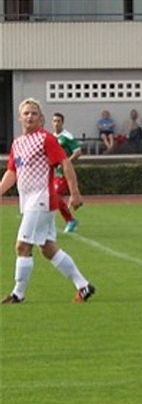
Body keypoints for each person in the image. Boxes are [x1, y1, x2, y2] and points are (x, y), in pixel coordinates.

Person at [0, 98, 95, 305]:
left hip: (42, 199)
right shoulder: (17, 143)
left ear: (41, 118)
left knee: (22, 246)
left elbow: (65, 163)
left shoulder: (46, 139)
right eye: (26, 113)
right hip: (29, 202)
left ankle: (18, 294)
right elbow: (12, 172)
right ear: (20, 117)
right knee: (47, 248)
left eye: (34, 113)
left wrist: (75, 192)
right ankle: (83, 285)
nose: (30, 116)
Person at [51, 112, 83, 233]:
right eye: (54, 121)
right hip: (55, 173)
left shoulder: (67, 137)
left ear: (62, 122)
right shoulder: (52, 137)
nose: (56, 123)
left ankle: (70, 220)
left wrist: (66, 163)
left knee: (56, 196)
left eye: (58, 121)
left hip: (64, 173)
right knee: (51, 197)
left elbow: (78, 152)